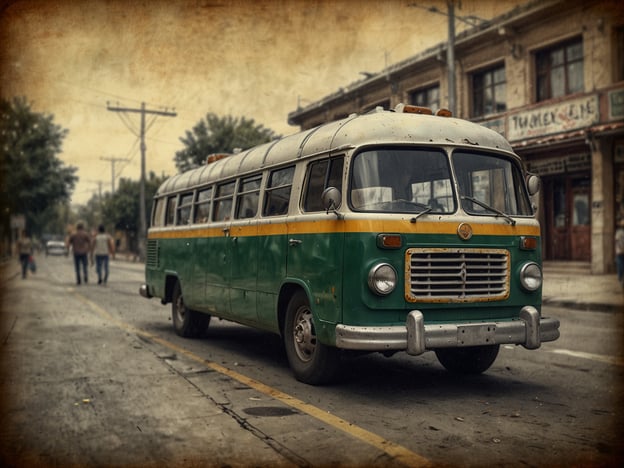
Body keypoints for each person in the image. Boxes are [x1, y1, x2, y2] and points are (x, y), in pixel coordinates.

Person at [616, 220, 624, 289]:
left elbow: (617, 241)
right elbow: (618, 241)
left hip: (620, 251)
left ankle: (621, 278)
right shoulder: (619, 232)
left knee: (620, 265)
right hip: (620, 251)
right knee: (620, 265)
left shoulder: (619, 232)